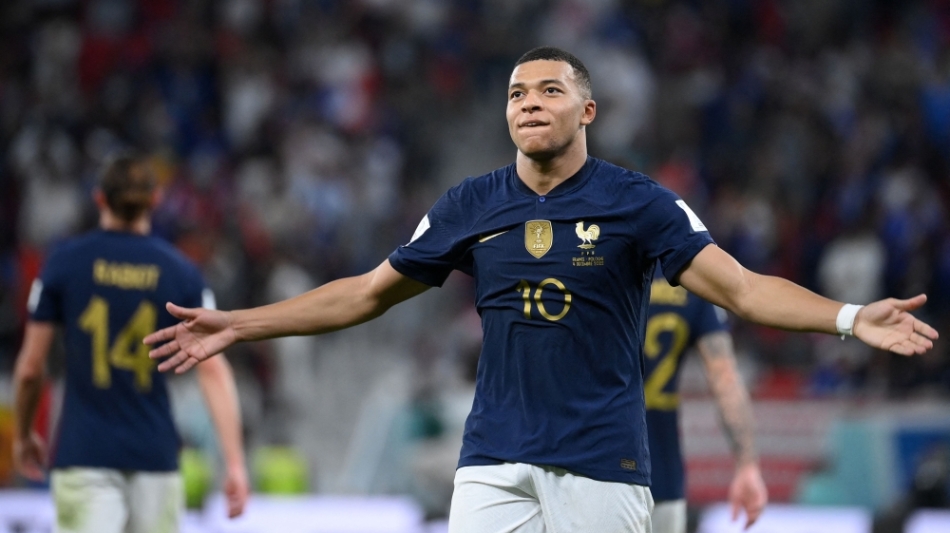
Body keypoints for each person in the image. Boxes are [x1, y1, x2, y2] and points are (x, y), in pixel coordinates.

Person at [145, 47, 937, 533]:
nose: (530, 102)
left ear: (587, 110)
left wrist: (845, 317)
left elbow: (743, 290)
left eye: (550, 90)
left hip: (603, 462)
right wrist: (240, 324)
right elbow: (362, 294)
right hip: (492, 460)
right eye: (519, 93)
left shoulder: (641, 204)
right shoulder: (470, 204)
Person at [13, 153, 249, 533]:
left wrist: (25, 436)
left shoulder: (63, 263)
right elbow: (214, 372)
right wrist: (235, 464)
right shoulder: (182, 272)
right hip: (155, 457)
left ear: (99, 198)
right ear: (155, 200)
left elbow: (29, 369)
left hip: (84, 454)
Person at [645, 269, 766, 533]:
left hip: (590, 464)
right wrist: (747, 464)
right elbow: (725, 376)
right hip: (661, 472)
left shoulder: (591, 262)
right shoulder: (688, 277)